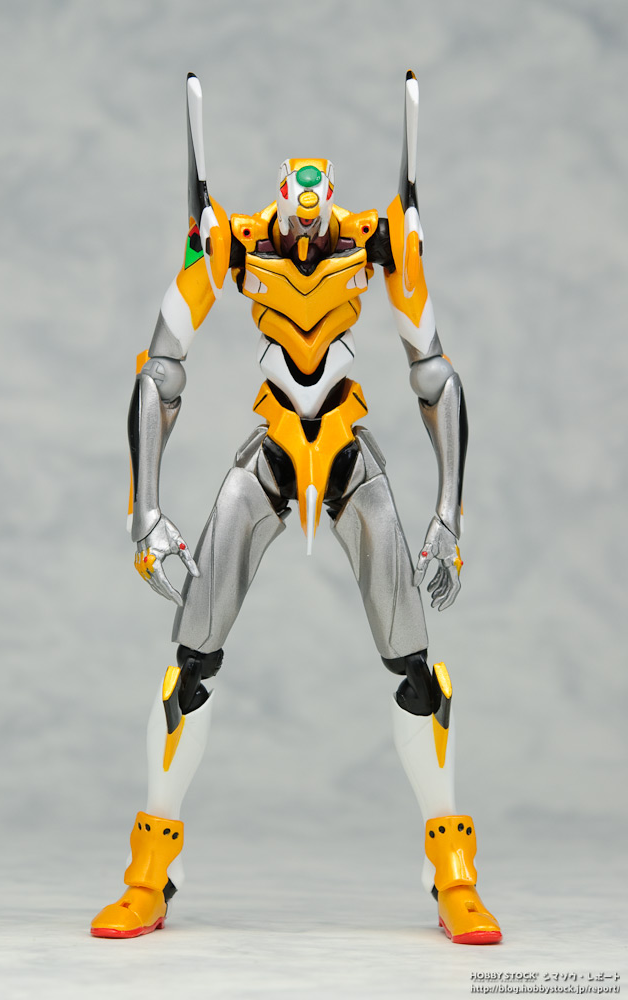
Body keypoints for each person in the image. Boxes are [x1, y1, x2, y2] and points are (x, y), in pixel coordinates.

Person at [91, 71, 502, 945]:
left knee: (416, 670)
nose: (310, 245)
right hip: (271, 452)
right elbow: (160, 368)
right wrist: (144, 508)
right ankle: (150, 872)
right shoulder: (233, 243)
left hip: (349, 455)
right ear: (279, 211)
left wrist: (450, 513)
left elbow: (435, 373)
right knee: (190, 663)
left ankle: (453, 871)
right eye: (297, 230)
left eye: (320, 232)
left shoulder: (377, 239)